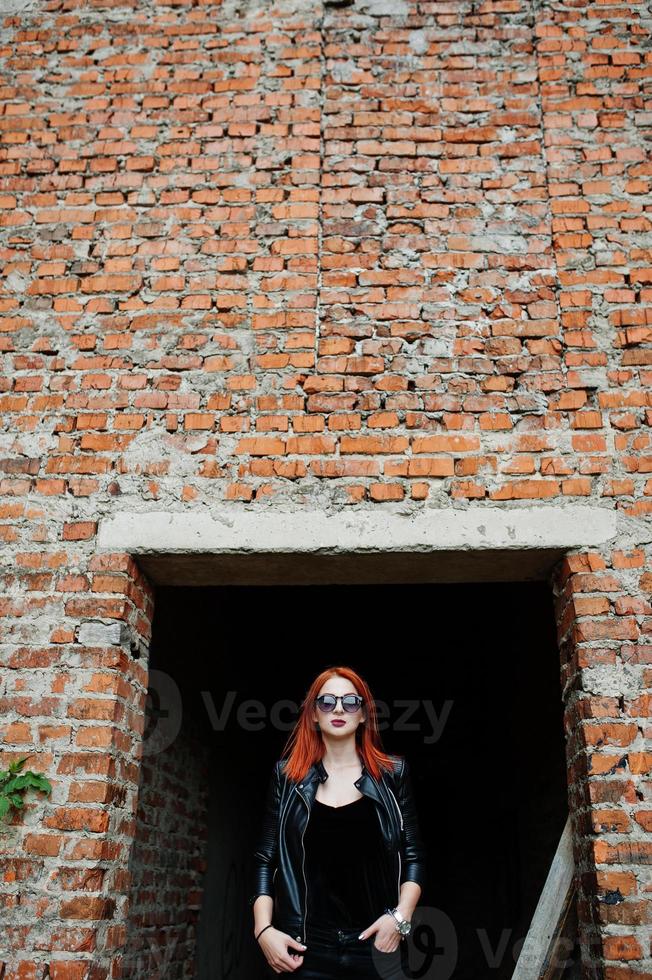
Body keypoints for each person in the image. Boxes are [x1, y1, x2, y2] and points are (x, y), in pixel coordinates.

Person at [249, 666, 427, 978]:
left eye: (351, 702)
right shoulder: (287, 777)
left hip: (377, 943)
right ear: (314, 715)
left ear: (363, 715)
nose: (339, 709)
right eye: (327, 702)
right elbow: (266, 859)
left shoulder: (393, 774)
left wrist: (400, 919)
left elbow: (412, 854)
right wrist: (263, 930)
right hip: (304, 949)